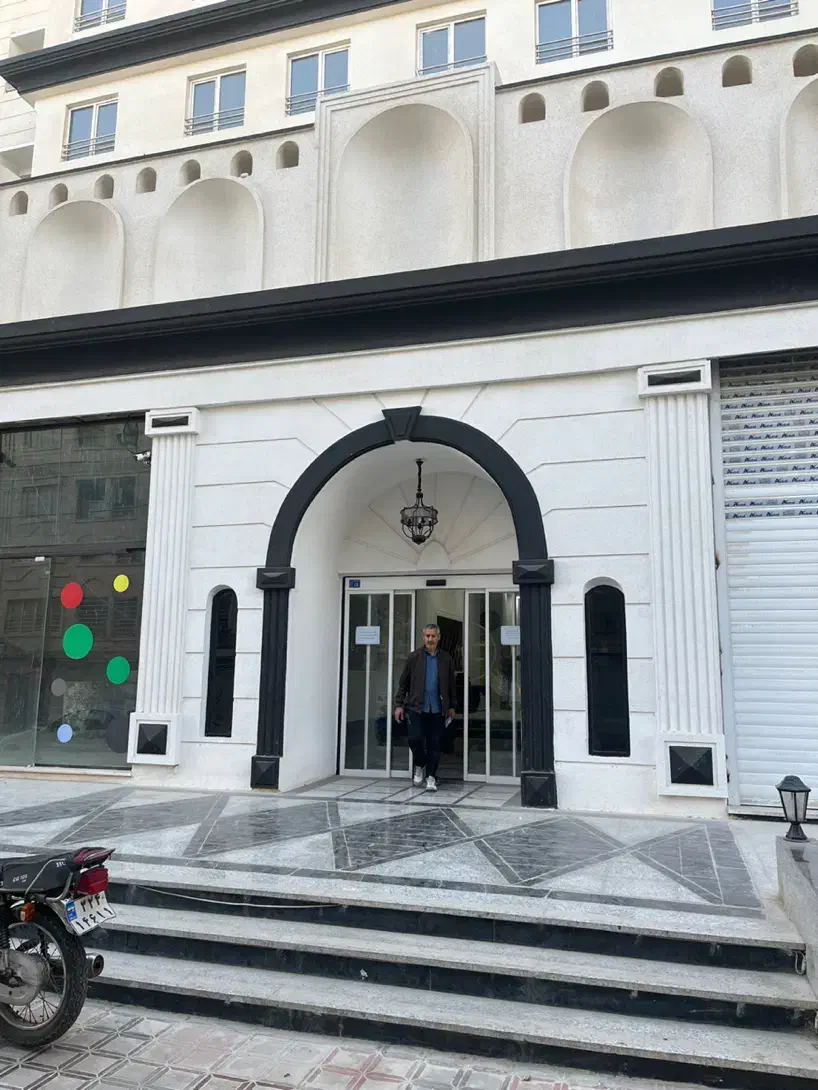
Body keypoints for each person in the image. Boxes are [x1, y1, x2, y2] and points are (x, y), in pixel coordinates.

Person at [394, 623, 456, 793]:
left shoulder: (446, 659)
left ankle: (431, 777)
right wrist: (398, 705)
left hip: (438, 709)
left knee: (435, 744)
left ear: (439, 637)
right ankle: (420, 764)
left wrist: (452, 706)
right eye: (427, 636)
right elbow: (403, 683)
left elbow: (451, 684)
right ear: (423, 637)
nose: (430, 639)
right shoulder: (414, 657)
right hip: (416, 707)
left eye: (433, 636)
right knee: (414, 739)